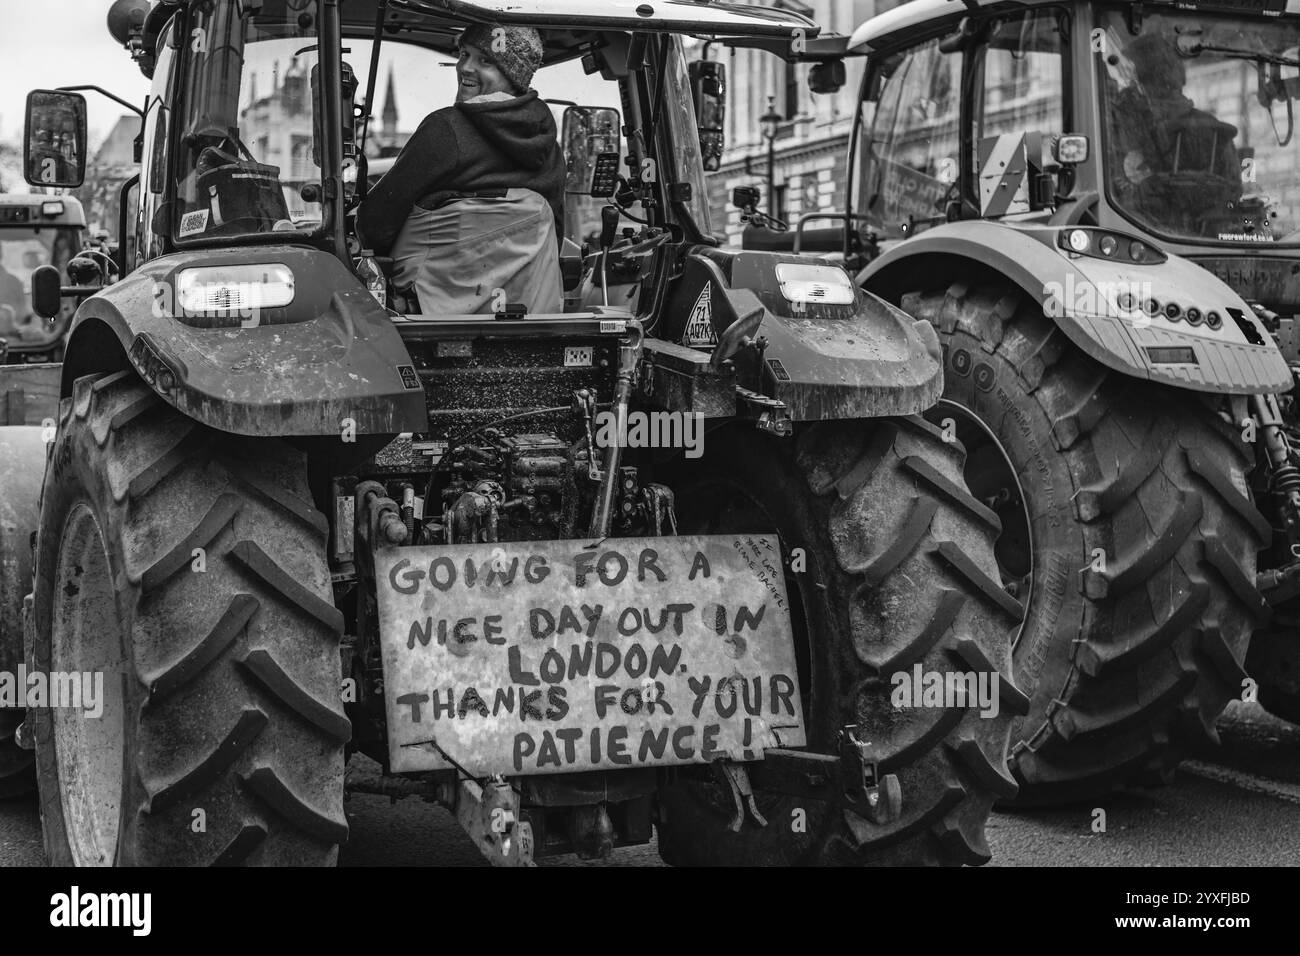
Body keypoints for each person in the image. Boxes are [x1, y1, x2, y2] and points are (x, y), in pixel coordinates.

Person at [357, 23, 566, 315]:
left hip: (425, 315)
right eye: (464, 53)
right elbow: (554, 240)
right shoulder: (549, 150)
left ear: (512, 74)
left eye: (485, 61)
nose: (465, 67)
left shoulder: (446, 130)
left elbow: (375, 226)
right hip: (526, 319)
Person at [1111, 31, 1242, 229]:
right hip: (1208, 239)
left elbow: (1118, 193)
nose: (1128, 88)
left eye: (1131, 80)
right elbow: (1235, 189)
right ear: (1178, 75)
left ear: (1141, 82)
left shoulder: (1130, 126)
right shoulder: (1212, 126)